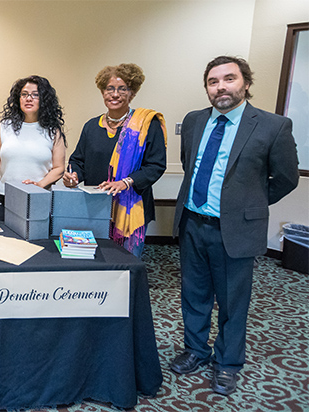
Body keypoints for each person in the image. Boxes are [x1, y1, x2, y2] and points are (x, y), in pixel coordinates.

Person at [170, 56, 299, 395]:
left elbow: (285, 178)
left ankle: (228, 363)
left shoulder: (272, 126)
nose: (221, 87)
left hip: (236, 231)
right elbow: (189, 164)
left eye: (229, 79)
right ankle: (196, 350)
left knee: (232, 302)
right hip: (193, 224)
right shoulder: (195, 121)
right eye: (213, 81)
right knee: (194, 295)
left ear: (245, 83)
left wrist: (248, 207)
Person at [63, 63, 166, 257]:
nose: (115, 94)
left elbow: (156, 165)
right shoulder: (92, 126)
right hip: (96, 208)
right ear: (103, 92)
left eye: (122, 89)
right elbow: (78, 160)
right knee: (94, 262)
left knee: (125, 265)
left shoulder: (146, 125)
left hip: (131, 211)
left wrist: (126, 182)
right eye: (110, 89)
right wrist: (74, 175)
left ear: (132, 93)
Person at [0, 75, 66, 221]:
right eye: (24, 94)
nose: (28, 98)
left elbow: (59, 168)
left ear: (44, 99)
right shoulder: (4, 127)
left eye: (35, 95)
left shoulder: (53, 131)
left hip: (38, 198)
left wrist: (39, 185)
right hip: (6, 198)